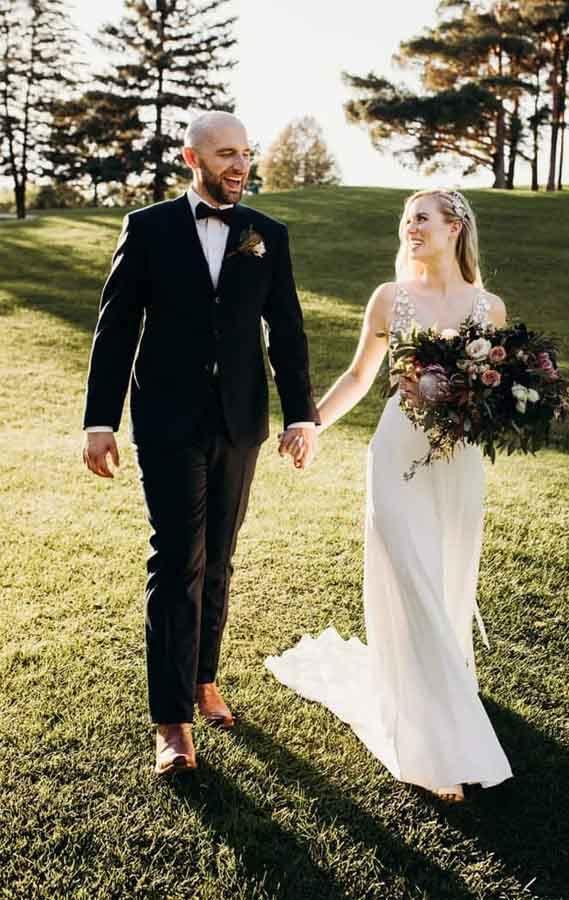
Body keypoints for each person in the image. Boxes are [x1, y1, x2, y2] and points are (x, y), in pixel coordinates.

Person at [82, 111, 319, 776]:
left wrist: (302, 417)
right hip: (166, 419)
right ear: (192, 159)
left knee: (219, 557)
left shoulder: (267, 235)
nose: (239, 166)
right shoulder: (148, 228)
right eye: (225, 154)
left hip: (240, 422)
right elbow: (116, 327)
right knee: (177, 558)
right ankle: (171, 721)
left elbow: (288, 331)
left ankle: (203, 678)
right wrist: (98, 421)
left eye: (245, 153)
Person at [269, 189, 513, 801]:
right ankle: (434, 751)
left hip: (458, 462)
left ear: (455, 227)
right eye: (406, 220)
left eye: (421, 218)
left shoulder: (490, 307)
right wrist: (310, 424)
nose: (410, 227)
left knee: (448, 574)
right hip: (397, 455)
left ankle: (442, 689)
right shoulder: (389, 297)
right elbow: (360, 375)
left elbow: (499, 394)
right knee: (410, 576)